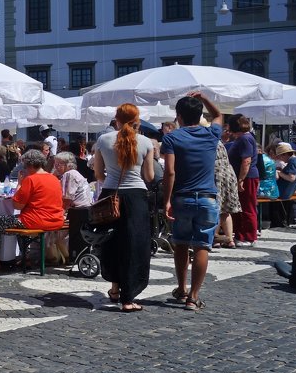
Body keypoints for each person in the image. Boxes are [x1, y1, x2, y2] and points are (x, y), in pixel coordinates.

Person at [160, 91, 223, 311]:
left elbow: (169, 172)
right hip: (207, 198)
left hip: (182, 198)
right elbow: (218, 114)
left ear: (178, 116)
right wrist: (204, 98)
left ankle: (181, 288)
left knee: (180, 243)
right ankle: (194, 297)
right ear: (199, 114)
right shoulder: (211, 134)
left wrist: (166, 200)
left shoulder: (171, 138)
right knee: (202, 246)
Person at [92, 104, 155, 312]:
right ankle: (128, 298)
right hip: (136, 197)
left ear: (116, 120)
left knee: (111, 242)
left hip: (110, 195)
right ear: (137, 119)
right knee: (134, 245)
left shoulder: (103, 140)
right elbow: (149, 177)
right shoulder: (146, 142)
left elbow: (99, 175)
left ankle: (114, 288)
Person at [0, 148, 65, 272]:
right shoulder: (54, 179)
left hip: (37, 221)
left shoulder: (31, 179)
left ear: (28, 165)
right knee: (18, 221)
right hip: (55, 219)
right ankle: (25, 257)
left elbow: (17, 205)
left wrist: (20, 184)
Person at [226, 116, 260, 247]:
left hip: (247, 177)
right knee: (240, 207)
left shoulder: (245, 139)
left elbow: (246, 161)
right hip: (244, 177)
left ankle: (249, 237)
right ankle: (241, 235)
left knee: (247, 207)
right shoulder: (244, 138)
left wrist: (241, 179)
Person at [54, 151, 93, 260]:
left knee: (55, 232)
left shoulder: (69, 174)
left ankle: (59, 257)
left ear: (68, 165)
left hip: (78, 211)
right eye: (55, 164)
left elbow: (67, 198)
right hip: (85, 210)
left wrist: (61, 213)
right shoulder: (75, 173)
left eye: (59, 164)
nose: (56, 167)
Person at [213, 140, 241, 248]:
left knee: (216, 208)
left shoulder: (205, 141)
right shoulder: (218, 142)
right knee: (226, 210)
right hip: (228, 173)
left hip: (216, 174)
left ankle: (215, 239)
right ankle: (230, 240)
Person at [272, 142, 296, 229]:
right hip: (288, 191)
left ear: (285, 154)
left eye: (280, 156)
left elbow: (291, 178)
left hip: (283, 192)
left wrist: (279, 172)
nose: (280, 159)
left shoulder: (293, 161)